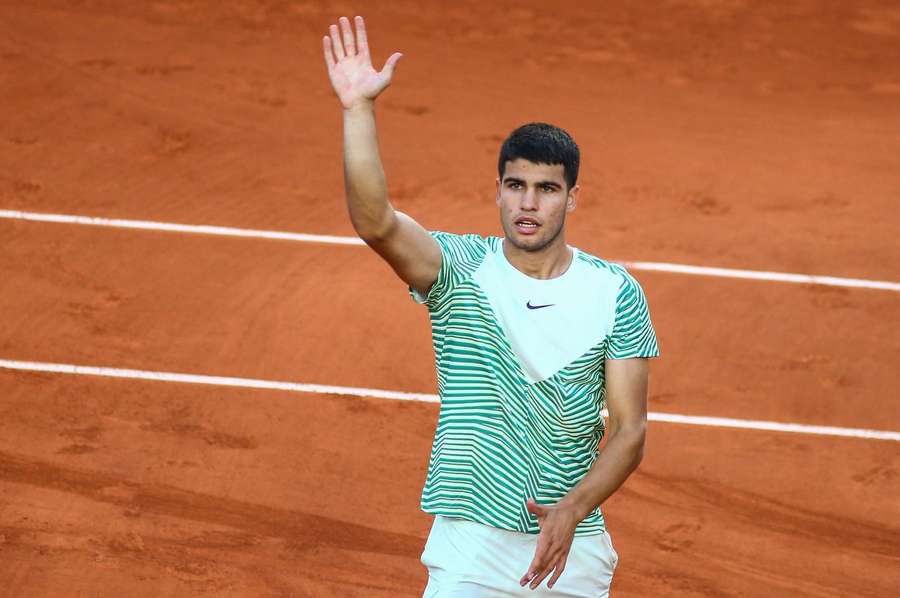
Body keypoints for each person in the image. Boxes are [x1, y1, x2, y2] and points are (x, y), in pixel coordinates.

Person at [323, 16, 659, 597]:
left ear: (572, 198)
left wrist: (572, 511)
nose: (527, 204)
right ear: (498, 189)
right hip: (470, 547)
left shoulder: (615, 290)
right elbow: (376, 223)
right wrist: (358, 111)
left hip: (569, 550)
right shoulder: (457, 269)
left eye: (547, 189)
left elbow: (630, 430)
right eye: (514, 185)